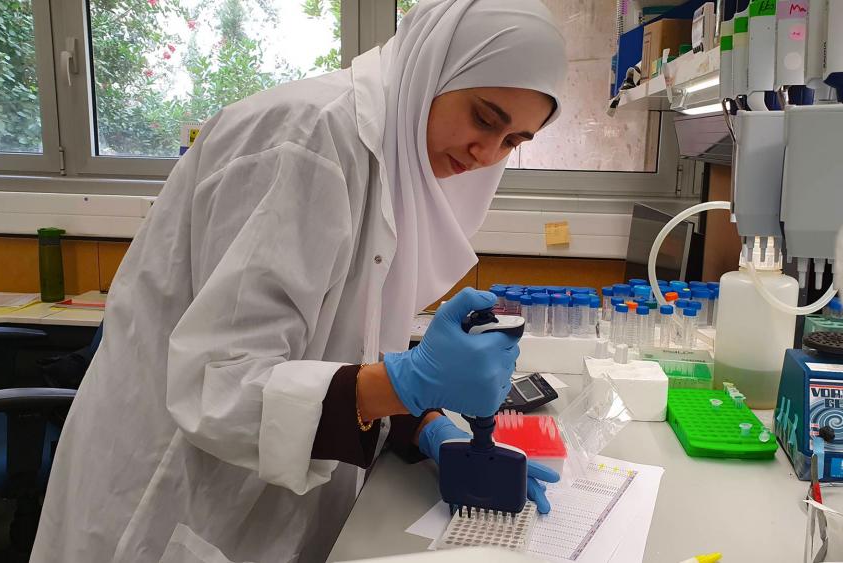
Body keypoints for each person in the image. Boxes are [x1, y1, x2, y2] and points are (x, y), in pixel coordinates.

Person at [30, 0, 567, 561]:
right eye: (485, 118)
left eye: (513, 142)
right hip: (171, 500)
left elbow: (341, 345)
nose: (487, 154)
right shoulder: (307, 138)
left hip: (271, 504)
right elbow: (220, 385)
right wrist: (408, 383)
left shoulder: (398, 165)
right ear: (434, 67)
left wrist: (424, 421)